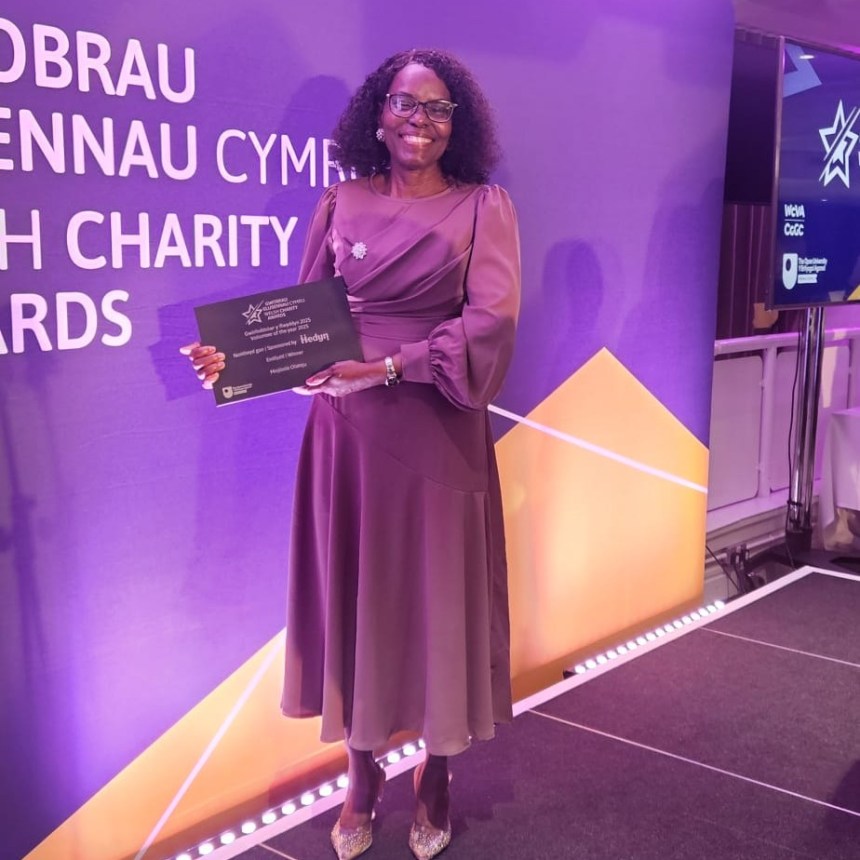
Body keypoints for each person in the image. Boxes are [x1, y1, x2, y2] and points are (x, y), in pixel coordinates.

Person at [182, 48, 521, 860]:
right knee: (354, 596)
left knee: (438, 597)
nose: (421, 122)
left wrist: (388, 366)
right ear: (379, 114)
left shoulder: (485, 206)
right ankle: (360, 775)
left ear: (457, 124)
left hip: (439, 422)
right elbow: (304, 327)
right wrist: (234, 362)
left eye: (439, 109)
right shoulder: (339, 201)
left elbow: (493, 321)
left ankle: (436, 773)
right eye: (407, 105)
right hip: (348, 438)